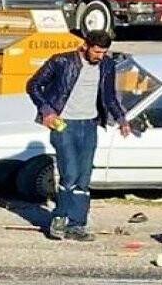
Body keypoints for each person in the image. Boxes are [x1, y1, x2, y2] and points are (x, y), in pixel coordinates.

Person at [25, 30, 130, 242]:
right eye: (97, 51)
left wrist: (121, 119)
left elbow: (109, 96)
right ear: (85, 46)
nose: (100, 56)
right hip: (64, 124)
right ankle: (60, 218)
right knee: (70, 173)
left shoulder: (107, 65)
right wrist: (47, 110)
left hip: (89, 125)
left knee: (83, 177)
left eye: (104, 52)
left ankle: (77, 224)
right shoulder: (62, 61)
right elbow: (33, 85)